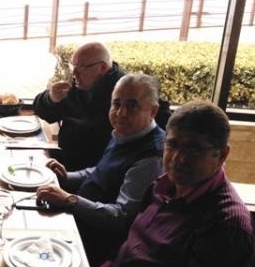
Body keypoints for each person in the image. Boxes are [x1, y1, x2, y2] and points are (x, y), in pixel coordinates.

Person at [93, 100, 255, 267]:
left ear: (222, 155)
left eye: (194, 149)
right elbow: (132, 238)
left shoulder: (226, 225)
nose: (178, 158)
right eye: (173, 145)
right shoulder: (162, 186)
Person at [36, 74, 166, 266]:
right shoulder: (127, 133)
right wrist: (65, 177)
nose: (121, 113)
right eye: (116, 104)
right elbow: (101, 171)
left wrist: (69, 199)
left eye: (132, 106)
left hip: (96, 247)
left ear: (153, 111)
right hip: (79, 221)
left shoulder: (150, 157)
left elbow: (121, 218)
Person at [33, 42, 170, 171]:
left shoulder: (127, 88)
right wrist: (51, 98)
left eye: (81, 68)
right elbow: (44, 112)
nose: (74, 74)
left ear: (103, 67)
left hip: (102, 169)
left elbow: (164, 120)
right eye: (72, 67)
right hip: (66, 164)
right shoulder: (78, 85)